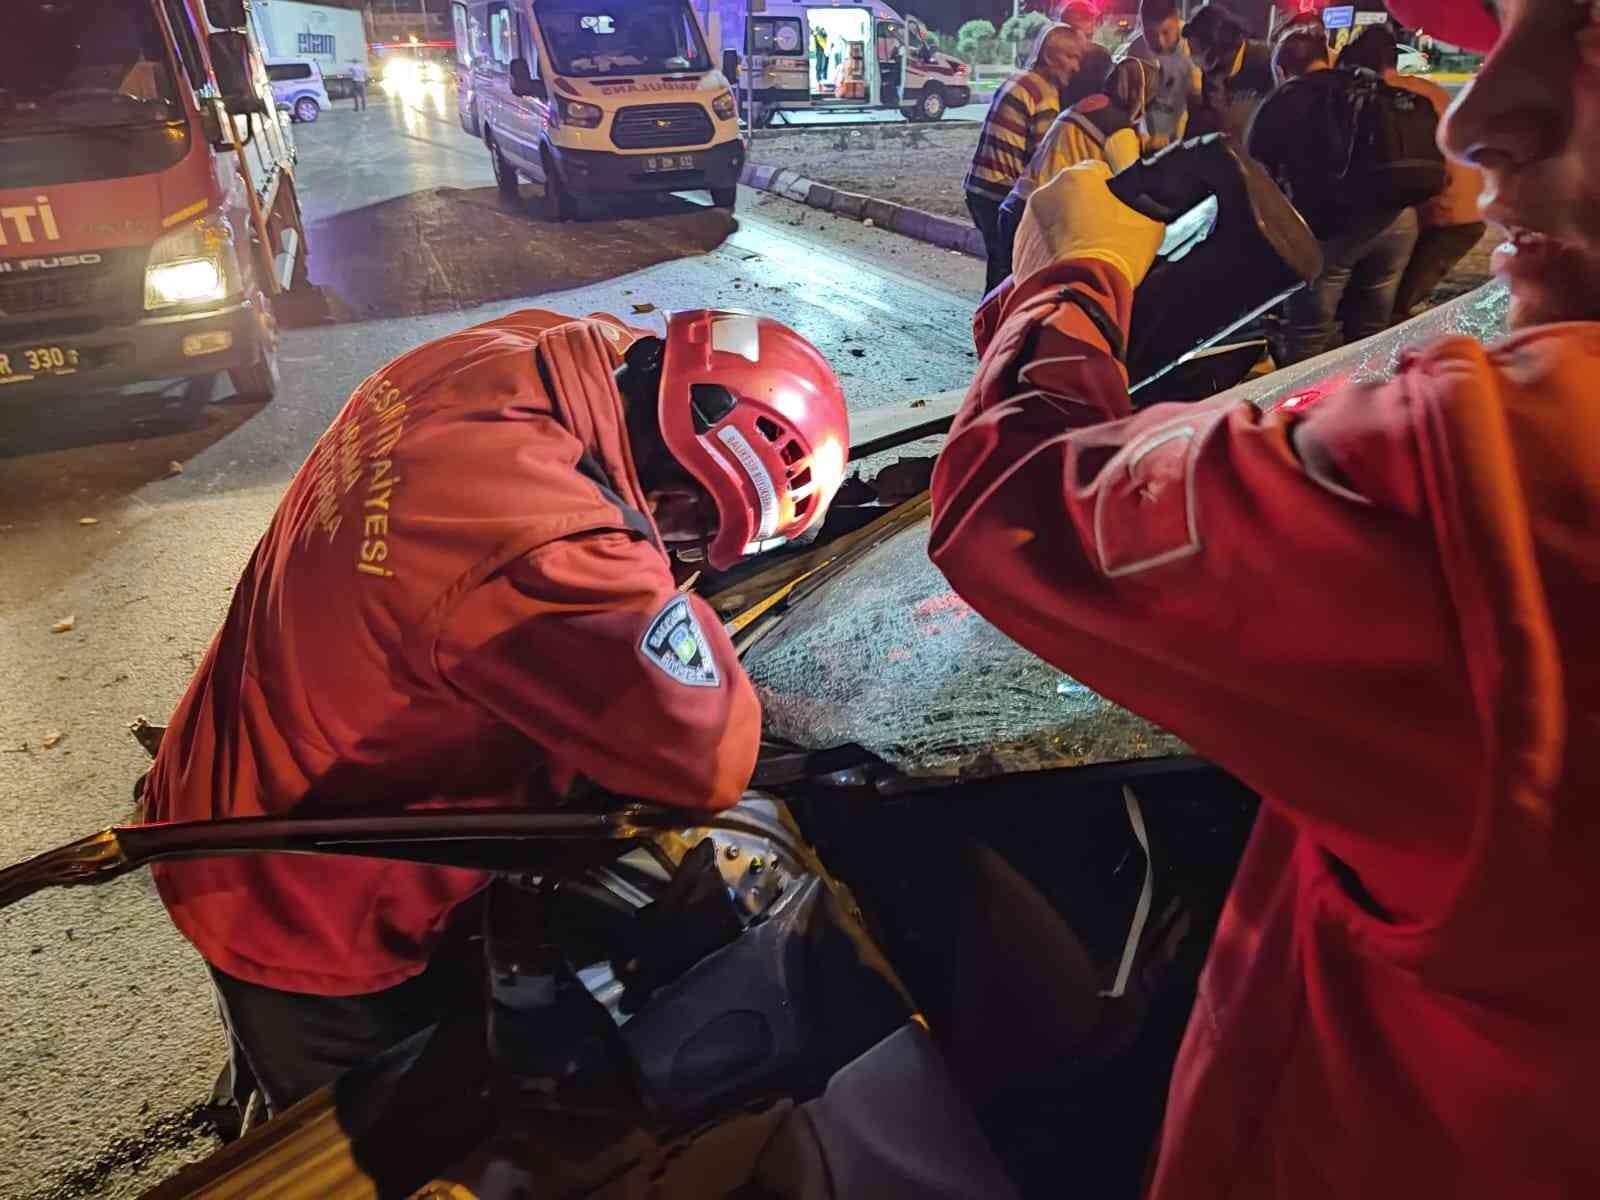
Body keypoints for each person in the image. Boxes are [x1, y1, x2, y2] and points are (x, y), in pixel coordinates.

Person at [928, 0, 1600, 1194]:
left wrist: (1066, 278)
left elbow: (1019, 506)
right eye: (1503, 29)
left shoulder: (1515, 472)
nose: (1477, 121)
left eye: (1589, 31)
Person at [143, 307, 852, 1117]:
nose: (688, 561)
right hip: (303, 892)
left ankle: (254, 1093)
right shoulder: (549, 543)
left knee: (283, 1058)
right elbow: (708, 758)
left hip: (236, 762)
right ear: (676, 503)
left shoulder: (514, 352)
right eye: (699, 540)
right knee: (362, 1135)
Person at [1245, 32, 1425, 362]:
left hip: (1333, 229)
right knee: (1371, 331)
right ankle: (1367, 400)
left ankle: (1303, 409)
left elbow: (1257, 177)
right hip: (1398, 221)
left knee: (1308, 334)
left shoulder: (1286, 98)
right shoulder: (1367, 86)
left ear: (1282, 71)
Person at [1339, 25, 1487, 320]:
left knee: (1388, 309)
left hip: (1444, 219)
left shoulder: (1383, 98)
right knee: (1380, 304)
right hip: (1463, 211)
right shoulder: (1425, 90)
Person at [994, 55, 1147, 279]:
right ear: (1139, 93)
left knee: (1001, 301)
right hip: (1042, 223)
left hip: (1016, 206)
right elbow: (1132, 186)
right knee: (1035, 306)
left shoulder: (1085, 105)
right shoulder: (1117, 128)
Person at [964, 23, 1088, 293]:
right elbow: (1042, 158)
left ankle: (992, 327)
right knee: (1008, 274)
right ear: (1048, 57)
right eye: (1071, 57)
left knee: (1000, 266)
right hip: (999, 192)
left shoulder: (1017, 79)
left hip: (978, 187)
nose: (1076, 67)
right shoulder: (1044, 95)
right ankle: (996, 330)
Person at [1181, 4, 1273, 140]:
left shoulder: (1266, 62)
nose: (1192, 56)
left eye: (1196, 51)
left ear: (1218, 49)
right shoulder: (1211, 73)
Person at [1117, 0, 1200, 150]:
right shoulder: (1136, 50)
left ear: (1176, 20)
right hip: (1143, 145)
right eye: (1150, 34)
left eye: (1166, 32)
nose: (1159, 42)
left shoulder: (1194, 47)